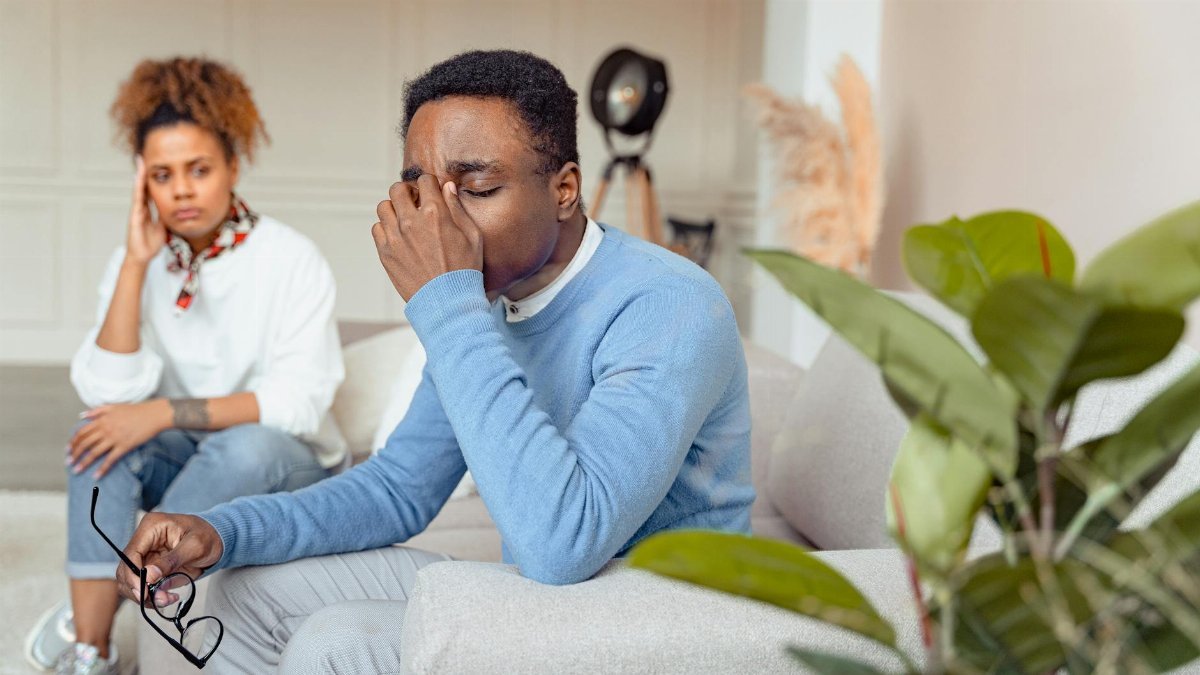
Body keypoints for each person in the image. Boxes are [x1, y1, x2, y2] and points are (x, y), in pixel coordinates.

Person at [116, 49, 754, 672]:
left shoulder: (668, 305)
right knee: (229, 595)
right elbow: (399, 489)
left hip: (648, 616)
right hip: (537, 594)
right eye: (421, 191)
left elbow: (563, 543)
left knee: (333, 642)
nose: (441, 220)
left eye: (478, 187)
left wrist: (448, 308)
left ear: (564, 189)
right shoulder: (491, 301)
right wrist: (221, 530)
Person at [24, 57, 346, 675]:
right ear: (143, 181)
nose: (182, 190)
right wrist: (136, 263)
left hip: (292, 461)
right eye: (163, 175)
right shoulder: (140, 260)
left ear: (233, 165)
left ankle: (133, 590)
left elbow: (299, 401)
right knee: (97, 440)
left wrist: (164, 412)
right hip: (190, 457)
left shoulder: (290, 258)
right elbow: (105, 389)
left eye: (199, 169)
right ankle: (93, 649)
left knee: (244, 448)